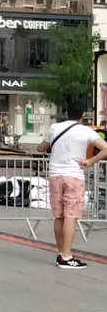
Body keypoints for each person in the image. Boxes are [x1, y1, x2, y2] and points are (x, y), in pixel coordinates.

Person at [40, 102, 107, 270]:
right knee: (71, 215)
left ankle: (61, 253)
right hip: (74, 176)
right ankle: (66, 256)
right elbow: (105, 148)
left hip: (55, 175)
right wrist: (90, 161)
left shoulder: (54, 128)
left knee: (59, 216)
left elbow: (41, 147)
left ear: (66, 113)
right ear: (82, 115)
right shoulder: (86, 131)